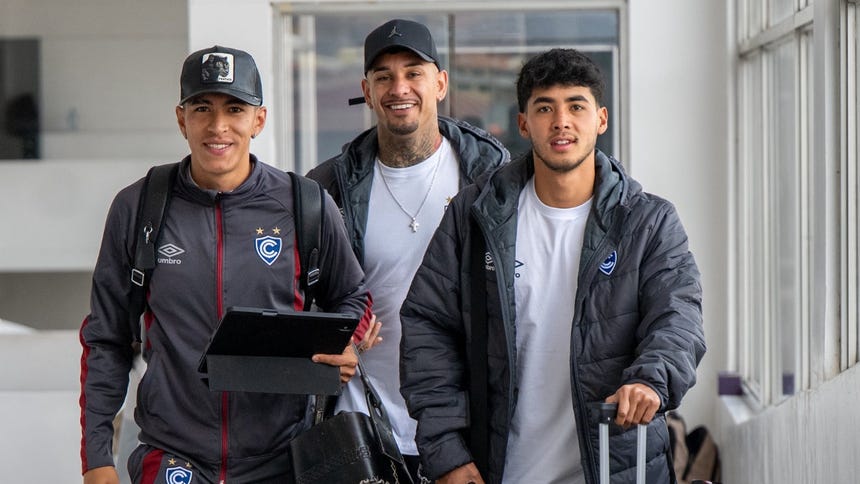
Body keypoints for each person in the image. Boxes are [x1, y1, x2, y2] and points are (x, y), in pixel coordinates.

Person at [399, 48, 706, 484]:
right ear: (524, 123)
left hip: (615, 466)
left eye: (576, 106)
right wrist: (447, 454)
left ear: (600, 119)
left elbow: (679, 318)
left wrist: (650, 380)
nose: (561, 121)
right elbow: (427, 328)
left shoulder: (647, 222)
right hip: (496, 470)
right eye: (545, 108)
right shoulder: (475, 214)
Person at [79, 45, 373, 484]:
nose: (218, 126)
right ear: (182, 119)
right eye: (202, 108)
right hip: (172, 455)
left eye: (235, 109)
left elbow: (353, 296)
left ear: (259, 120)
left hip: (282, 458)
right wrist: (97, 458)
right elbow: (106, 338)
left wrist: (346, 343)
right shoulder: (138, 207)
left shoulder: (305, 205)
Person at [306, 18, 509, 482]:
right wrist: (332, 341)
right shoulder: (329, 186)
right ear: (367, 90)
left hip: (466, 428)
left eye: (413, 73)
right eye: (384, 77)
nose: (399, 88)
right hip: (362, 426)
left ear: (440, 84)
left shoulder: (492, 178)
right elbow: (300, 298)